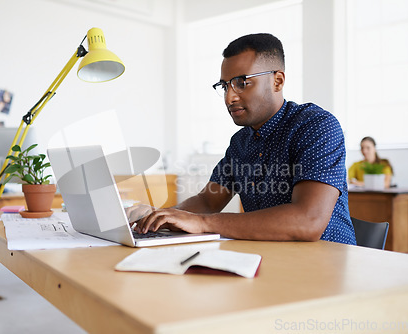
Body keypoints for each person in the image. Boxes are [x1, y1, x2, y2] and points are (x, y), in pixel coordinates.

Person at [128, 33, 356, 245]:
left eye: (242, 82)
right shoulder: (241, 141)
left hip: (325, 268)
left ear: (277, 81)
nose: (229, 97)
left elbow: (307, 221)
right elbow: (208, 201)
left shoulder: (315, 126)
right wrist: (161, 216)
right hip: (268, 264)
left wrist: (202, 223)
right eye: (224, 85)